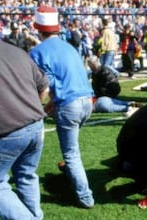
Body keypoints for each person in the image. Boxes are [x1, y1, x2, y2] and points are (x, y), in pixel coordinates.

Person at [0, 1, 49, 220]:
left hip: (3, 130)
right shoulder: (14, 49)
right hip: (35, 125)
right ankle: (34, 217)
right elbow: (44, 88)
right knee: (26, 175)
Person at [29, 6, 95, 208]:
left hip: (69, 105)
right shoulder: (69, 47)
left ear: (38, 29)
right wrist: (52, 105)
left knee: (71, 154)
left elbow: (45, 86)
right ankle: (73, 174)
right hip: (87, 102)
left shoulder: (37, 52)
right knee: (72, 150)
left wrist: (37, 108)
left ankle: (85, 198)